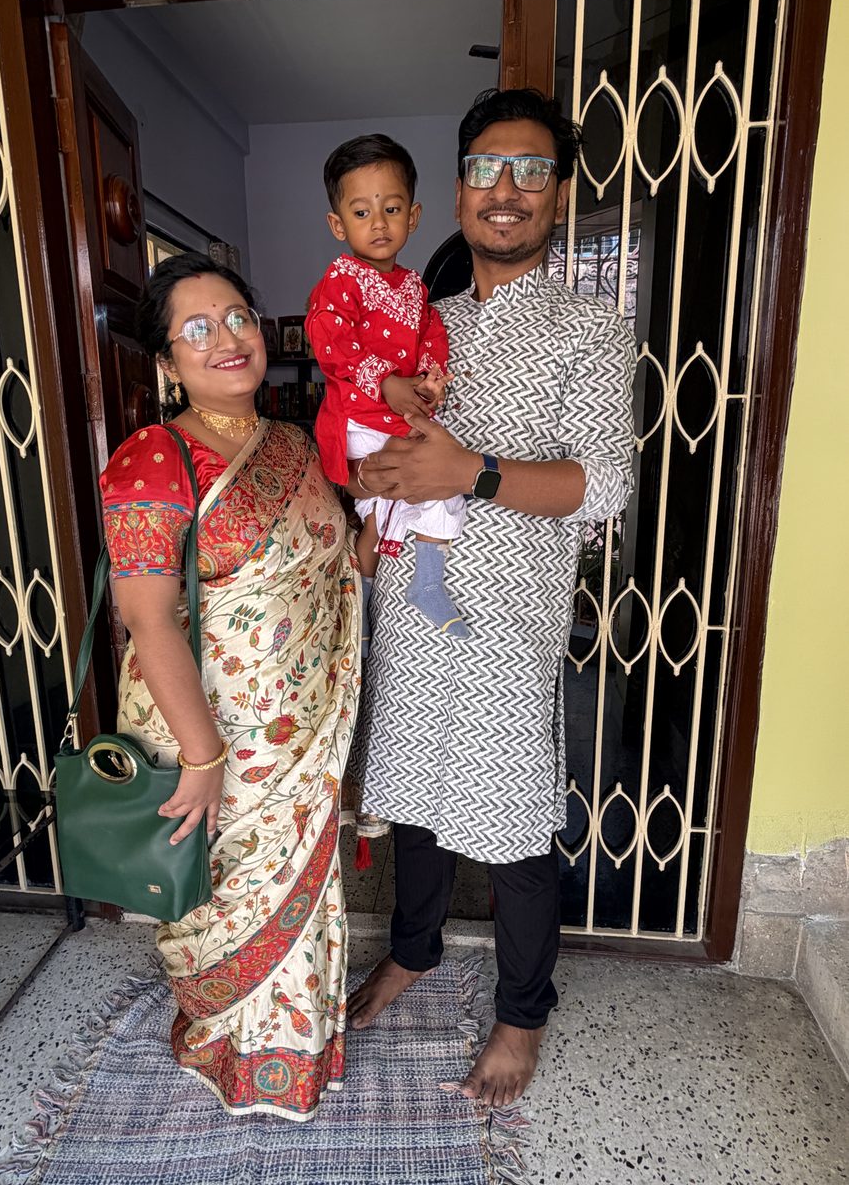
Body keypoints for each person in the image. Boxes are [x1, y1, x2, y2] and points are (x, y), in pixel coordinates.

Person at [347, 89, 636, 1108]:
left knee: (512, 829)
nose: (505, 190)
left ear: (559, 195)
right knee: (416, 804)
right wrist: (374, 490)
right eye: (484, 168)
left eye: (530, 170)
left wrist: (470, 472)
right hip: (413, 609)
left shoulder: (587, 329)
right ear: (459, 186)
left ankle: (522, 1013)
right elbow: (378, 453)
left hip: (508, 620)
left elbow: (606, 486)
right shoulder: (420, 321)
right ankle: (414, 952)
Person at [98, 251, 360, 1120]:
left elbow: (325, 572)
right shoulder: (153, 457)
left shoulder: (289, 442)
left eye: (239, 318)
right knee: (220, 899)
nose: (228, 340)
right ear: (168, 362)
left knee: (300, 890)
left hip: (296, 728)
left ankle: (297, 1050)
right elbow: (148, 620)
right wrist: (205, 758)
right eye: (197, 329)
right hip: (211, 738)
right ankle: (224, 1042)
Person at [305, 133, 469, 651]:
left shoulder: (416, 288)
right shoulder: (341, 280)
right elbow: (328, 339)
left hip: (401, 415)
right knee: (385, 503)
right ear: (338, 225)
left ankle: (423, 582)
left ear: (414, 217)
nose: (378, 222)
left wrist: (430, 377)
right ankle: (364, 599)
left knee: (442, 490)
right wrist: (385, 381)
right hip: (359, 415)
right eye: (361, 211)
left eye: (391, 208)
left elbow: (431, 334)